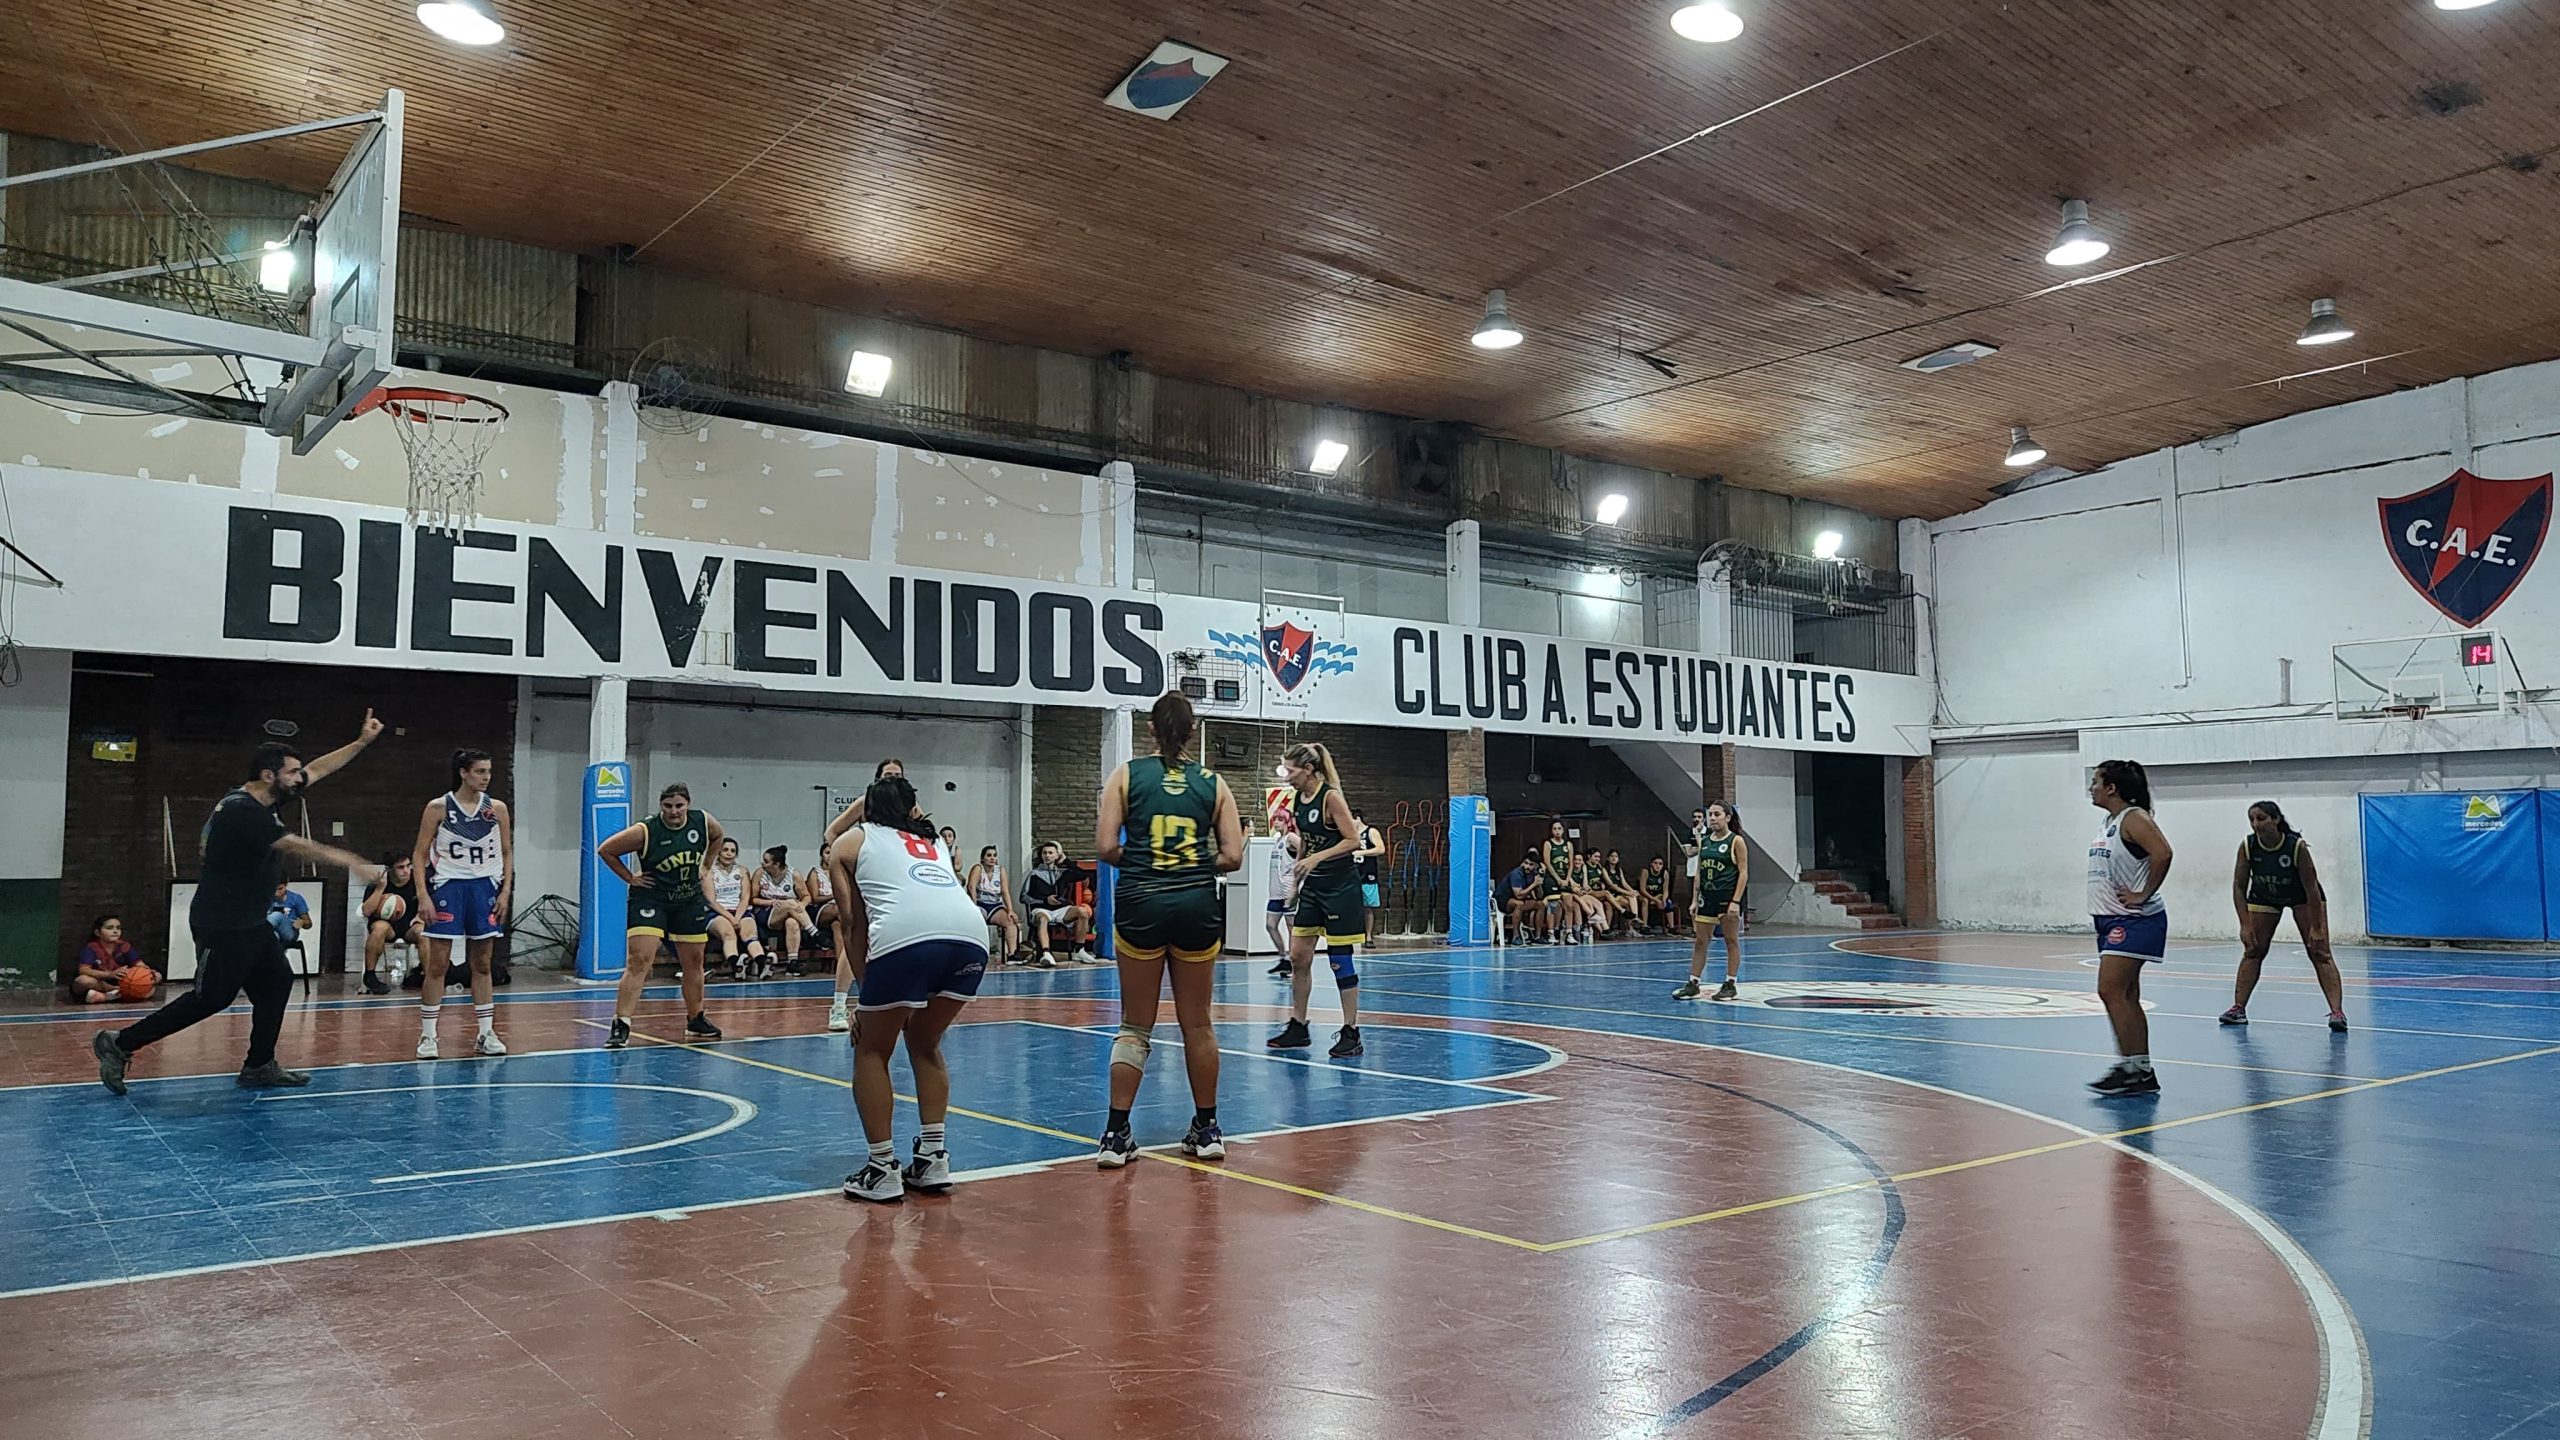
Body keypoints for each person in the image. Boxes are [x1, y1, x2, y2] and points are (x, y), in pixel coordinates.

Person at [95, 715, 385, 1095]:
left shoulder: (270, 796)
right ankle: (119, 1043)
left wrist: (361, 742)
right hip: (223, 923)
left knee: (278, 982)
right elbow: (296, 845)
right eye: (292, 772)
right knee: (211, 999)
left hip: (251, 922)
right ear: (268, 775)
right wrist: (351, 862)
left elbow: (318, 768)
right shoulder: (241, 810)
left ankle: (259, 1064)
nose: (300, 778)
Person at [1095, 691, 1247, 1167]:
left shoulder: (1125, 776)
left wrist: (1144, 862)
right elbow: (1234, 855)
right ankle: (1207, 1129)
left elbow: (1104, 847)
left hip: (1141, 901)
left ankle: (1116, 1135)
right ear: (1193, 732)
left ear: (1150, 730)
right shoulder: (1215, 783)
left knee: (1134, 1024)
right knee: (1198, 1023)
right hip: (1196, 903)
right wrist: (1192, 864)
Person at [828, 774, 988, 1204]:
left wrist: (864, 996)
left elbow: (851, 924)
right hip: (972, 937)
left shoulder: (851, 843)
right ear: (913, 809)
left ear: (866, 810)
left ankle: (881, 1168)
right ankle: (934, 1158)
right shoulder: (934, 841)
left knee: (872, 1048)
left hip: (906, 939)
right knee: (924, 1039)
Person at [597, 782, 725, 1049]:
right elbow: (606, 850)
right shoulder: (646, 830)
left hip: (687, 899)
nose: (674, 811)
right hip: (651, 899)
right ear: (660, 806)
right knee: (640, 959)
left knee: (694, 962)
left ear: (688, 804)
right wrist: (630, 878)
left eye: (679, 806)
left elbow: (718, 836)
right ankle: (621, 1024)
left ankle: (696, 1018)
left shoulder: (702, 821)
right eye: (668, 806)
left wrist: (707, 865)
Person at [410, 748, 513, 1060]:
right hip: (448, 886)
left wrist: (505, 891)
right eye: (480, 771)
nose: (486, 777)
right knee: (438, 964)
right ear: (463, 773)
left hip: (484, 888)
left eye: (489, 772)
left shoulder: (497, 809)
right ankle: (428, 1037)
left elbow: (507, 852)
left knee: (482, 964)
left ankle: (486, 1033)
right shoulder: (438, 807)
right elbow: (418, 854)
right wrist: (423, 895)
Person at [1267, 741, 1369, 1058]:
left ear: (1309, 769)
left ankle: (1351, 1030)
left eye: (1291, 771)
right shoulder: (1299, 798)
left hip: (1340, 888)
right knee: (1298, 956)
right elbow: (1307, 842)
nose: (1287, 778)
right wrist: (1299, 873)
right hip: (1313, 886)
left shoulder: (1331, 797)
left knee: (1340, 959)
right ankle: (1298, 1025)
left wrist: (1316, 858)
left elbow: (1352, 840)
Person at [2087, 759, 2173, 1097]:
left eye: (2096, 781)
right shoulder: (2110, 821)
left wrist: (2143, 893)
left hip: (2134, 919)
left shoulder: (2134, 818)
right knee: (2127, 995)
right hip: (2110, 919)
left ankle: (2132, 1067)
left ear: (2112, 787)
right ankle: (2138, 1068)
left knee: (2110, 990)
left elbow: (2163, 854)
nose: (2091, 788)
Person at [2223, 801, 2347, 1033]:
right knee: (2253, 950)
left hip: (2301, 896)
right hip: (2265, 896)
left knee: (2319, 952)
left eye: (2261, 818)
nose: (2255, 824)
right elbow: (2239, 887)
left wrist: (2318, 927)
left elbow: (2311, 888)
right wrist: (2244, 924)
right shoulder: (2248, 846)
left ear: (2275, 819)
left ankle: (2337, 1012)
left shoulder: (2295, 846)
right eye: (2252, 820)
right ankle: (2238, 1008)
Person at [821, 758, 905, 1033]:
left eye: (897, 775)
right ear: (877, 779)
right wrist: (854, 857)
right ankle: (839, 1005)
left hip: (896, 881)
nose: (892, 779)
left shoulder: (909, 806)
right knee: (857, 933)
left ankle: (903, 1002)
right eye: (887, 775)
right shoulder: (866, 802)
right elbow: (831, 832)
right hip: (868, 877)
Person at [1675, 803, 1747, 1000]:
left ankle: (1730, 983)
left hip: (1726, 897)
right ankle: (1693, 983)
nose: (1712, 818)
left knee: (1730, 940)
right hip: (1707, 897)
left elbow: (1743, 873)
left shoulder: (1736, 841)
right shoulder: (1705, 841)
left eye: (1717, 814)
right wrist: (1694, 900)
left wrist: (1735, 901)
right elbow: (1699, 872)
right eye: (1710, 815)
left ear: (1728, 817)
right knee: (1700, 941)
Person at [1022, 842, 1096, 966]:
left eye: (1051, 853)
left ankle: (1079, 950)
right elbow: (1024, 897)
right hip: (1041, 909)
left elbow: (1083, 875)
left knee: (1082, 911)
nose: (1047, 855)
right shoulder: (1034, 874)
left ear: (1057, 855)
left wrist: (1066, 860)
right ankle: (1046, 953)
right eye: (1045, 853)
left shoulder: (1062, 872)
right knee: (1042, 918)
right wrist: (1045, 900)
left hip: (1059, 910)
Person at [359, 854, 424, 994]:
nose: (406, 871)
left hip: (409, 926)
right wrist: (380, 889)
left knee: (423, 931)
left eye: (408, 866)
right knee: (379, 928)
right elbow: (366, 911)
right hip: (387, 926)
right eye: (401, 867)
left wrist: (421, 916)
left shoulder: (417, 882)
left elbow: (428, 903)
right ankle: (370, 975)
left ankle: (427, 975)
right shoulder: (378, 882)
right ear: (389, 870)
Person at [704, 837, 767, 980]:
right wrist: (731, 918)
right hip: (717, 912)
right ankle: (736, 966)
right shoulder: (709, 872)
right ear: (718, 852)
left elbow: (745, 897)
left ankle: (763, 964)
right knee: (728, 933)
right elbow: (711, 901)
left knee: (750, 934)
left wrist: (738, 917)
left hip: (740, 911)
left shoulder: (742, 870)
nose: (729, 853)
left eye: (732, 851)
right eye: (725, 850)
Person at [752, 846, 809, 977]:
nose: (762, 863)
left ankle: (792, 963)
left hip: (789, 912)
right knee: (790, 903)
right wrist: (770, 902)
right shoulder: (760, 874)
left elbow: (806, 897)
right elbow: (752, 899)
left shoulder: (794, 874)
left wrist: (802, 905)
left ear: (777, 864)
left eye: (766, 861)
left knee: (792, 922)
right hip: (766, 912)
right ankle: (813, 931)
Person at [71, 916, 152, 1004]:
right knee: (82, 981)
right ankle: (118, 993)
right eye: (109, 928)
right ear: (97, 932)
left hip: (123, 981)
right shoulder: (91, 948)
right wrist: (110, 974)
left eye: (118, 928)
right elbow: (84, 970)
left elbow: (139, 964)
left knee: (156, 976)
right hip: (100, 982)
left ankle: (106, 997)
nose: (115, 931)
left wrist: (145, 971)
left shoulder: (124, 946)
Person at [963, 845, 1019, 962]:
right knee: (975, 923)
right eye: (989, 855)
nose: (992, 858)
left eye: (994, 855)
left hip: (995, 906)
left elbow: (1005, 891)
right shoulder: (978, 868)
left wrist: (1010, 910)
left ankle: (1012, 954)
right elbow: (971, 887)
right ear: (982, 858)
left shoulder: (1000, 870)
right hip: (980, 904)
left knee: (1010, 922)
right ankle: (973, 954)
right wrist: (973, 907)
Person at [1265, 825, 1302, 972]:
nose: (1276, 823)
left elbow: (1303, 848)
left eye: (1280, 819)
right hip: (1276, 890)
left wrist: (1297, 866)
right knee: (1270, 925)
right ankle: (1283, 958)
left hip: (1287, 890)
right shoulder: (1277, 839)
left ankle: (1293, 963)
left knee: (1291, 927)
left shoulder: (1291, 838)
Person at [1496, 854, 1547, 944]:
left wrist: (1538, 885)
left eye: (1531, 864)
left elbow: (1540, 896)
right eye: (1526, 863)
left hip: (1519, 899)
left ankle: (1538, 936)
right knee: (1519, 904)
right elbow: (1518, 895)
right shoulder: (1517, 873)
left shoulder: (1534, 874)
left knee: (1540, 904)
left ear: (1535, 866)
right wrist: (1533, 885)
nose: (1527, 866)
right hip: (1503, 901)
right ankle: (1515, 937)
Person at [1352, 811, 1387, 917]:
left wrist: (1362, 852)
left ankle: (1368, 933)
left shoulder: (1371, 831)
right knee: (1351, 906)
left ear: (1358, 819)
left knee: (1368, 907)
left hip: (1367, 874)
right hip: (1352, 875)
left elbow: (1381, 849)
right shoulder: (1349, 835)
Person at [266, 881, 313, 950]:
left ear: (286, 885)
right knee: (273, 937)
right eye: (273, 889)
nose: (276, 894)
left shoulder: (295, 898)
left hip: (289, 931)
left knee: (277, 915)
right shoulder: (265, 898)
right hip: (272, 932)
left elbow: (308, 923)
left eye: (280, 889)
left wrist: (302, 922)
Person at [1638, 855, 1675, 934]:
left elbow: (1666, 890)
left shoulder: (1665, 873)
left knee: (1668, 902)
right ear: (1651, 864)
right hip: (1645, 895)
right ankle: (1644, 926)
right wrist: (1655, 900)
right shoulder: (1645, 871)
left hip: (1658, 895)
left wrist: (1663, 901)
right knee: (1645, 901)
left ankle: (1671, 927)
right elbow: (1642, 890)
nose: (1658, 866)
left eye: (1660, 864)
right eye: (1655, 863)